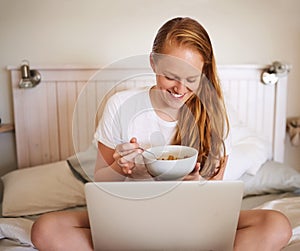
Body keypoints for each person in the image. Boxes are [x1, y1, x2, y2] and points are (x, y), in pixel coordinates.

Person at [31, 17, 292, 251]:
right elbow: (100, 181)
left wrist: (199, 187)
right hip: (131, 218)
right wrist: (123, 169)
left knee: (277, 225)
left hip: (193, 219)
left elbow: (217, 194)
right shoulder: (120, 105)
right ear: (153, 62)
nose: (180, 88)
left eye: (191, 79)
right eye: (170, 76)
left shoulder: (213, 112)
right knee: (44, 229)